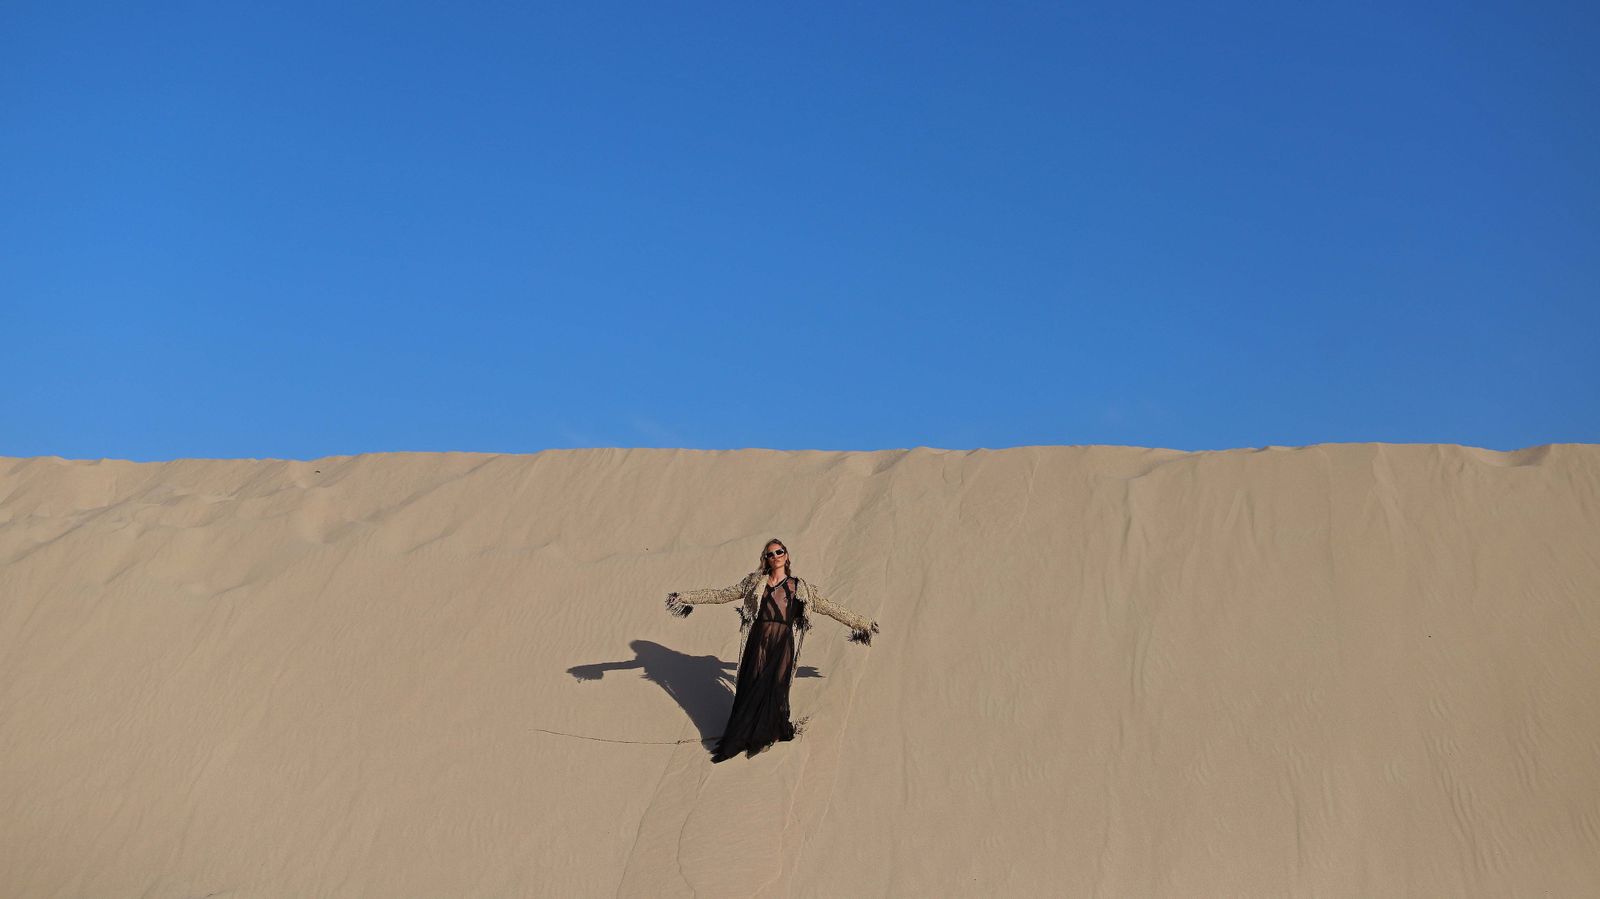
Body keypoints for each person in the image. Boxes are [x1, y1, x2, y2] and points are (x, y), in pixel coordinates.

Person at [665, 538, 880, 762]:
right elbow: (721, 594)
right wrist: (685, 597)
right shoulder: (754, 582)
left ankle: (768, 735)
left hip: (783, 642)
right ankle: (747, 734)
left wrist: (860, 623)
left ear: (786, 555)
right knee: (753, 685)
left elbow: (829, 608)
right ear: (765, 559)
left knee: (776, 688)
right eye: (770, 554)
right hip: (758, 640)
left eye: (779, 552)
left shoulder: (800, 587)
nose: (775, 556)